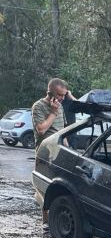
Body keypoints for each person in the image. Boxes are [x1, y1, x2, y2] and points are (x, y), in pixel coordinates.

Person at [31, 78, 76, 229]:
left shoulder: (61, 105)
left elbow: (62, 130)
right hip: (44, 153)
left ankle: (57, 219)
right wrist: (53, 112)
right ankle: (45, 221)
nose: (62, 99)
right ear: (49, 92)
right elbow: (41, 129)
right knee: (45, 186)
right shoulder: (38, 106)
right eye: (59, 95)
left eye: (64, 95)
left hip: (60, 152)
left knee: (61, 185)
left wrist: (68, 148)